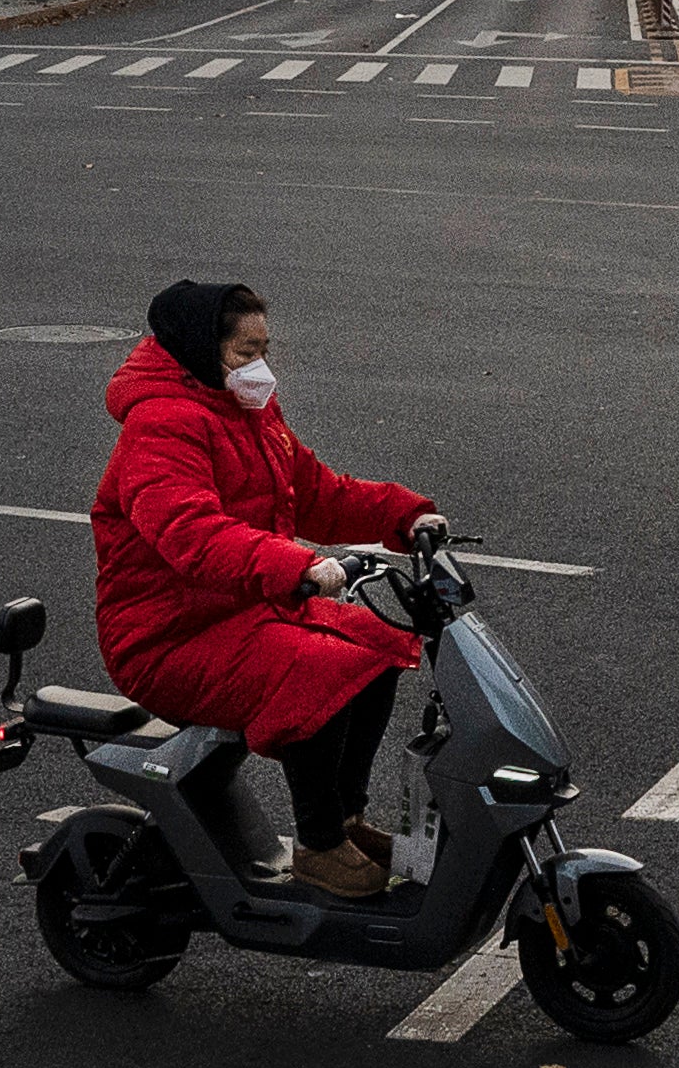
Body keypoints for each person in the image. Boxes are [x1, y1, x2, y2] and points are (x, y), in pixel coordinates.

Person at [91, 277, 441, 903]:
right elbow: (189, 533)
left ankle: (346, 818)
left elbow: (313, 492)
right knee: (319, 669)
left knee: (380, 645)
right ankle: (318, 845)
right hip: (166, 637)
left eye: (263, 349)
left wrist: (403, 517)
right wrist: (295, 565)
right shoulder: (162, 425)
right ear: (201, 349)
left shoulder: (248, 411)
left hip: (246, 611)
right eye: (244, 352)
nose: (260, 367)